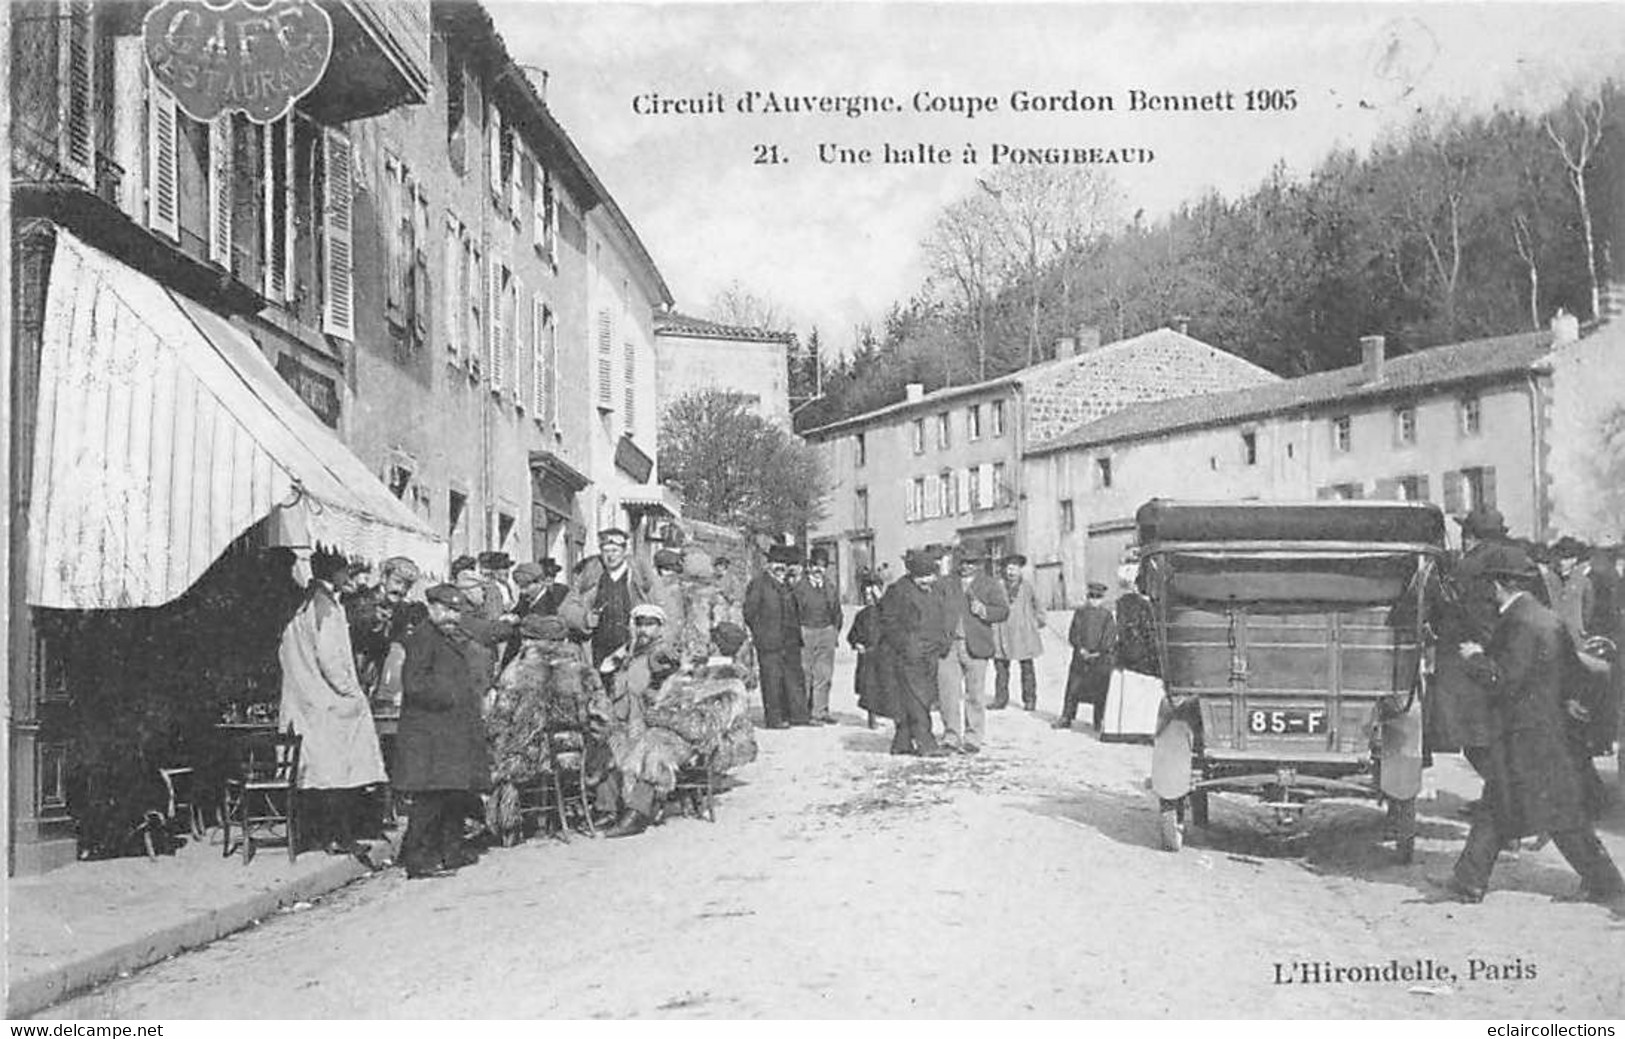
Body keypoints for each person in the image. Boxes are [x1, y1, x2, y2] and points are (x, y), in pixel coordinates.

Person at [1437, 545, 1624, 905]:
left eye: (1489, 583)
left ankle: (1607, 884)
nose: (1487, 592)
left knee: (1561, 814)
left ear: (1498, 585)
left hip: (1527, 733)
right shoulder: (1542, 616)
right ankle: (1468, 880)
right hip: (1540, 729)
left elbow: (1504, 680)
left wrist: (1476, 658)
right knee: (1498, 803)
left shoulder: (1519, 622)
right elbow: (1570, 671)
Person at [277, 551, 388, 859]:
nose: (349, 577)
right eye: (346, 572)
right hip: (327, 702)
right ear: (336, 572)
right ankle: (338, 836)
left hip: (304, 698)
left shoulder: (302, 604)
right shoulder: (326, 607)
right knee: (339, 772)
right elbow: (330, 657)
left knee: (314, 773)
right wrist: (352, 692)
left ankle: (316, 834)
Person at [396, 584, 493, 878]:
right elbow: (414, 684)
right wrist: (449, 695)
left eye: (456, 611)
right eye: (447, 610)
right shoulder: (424, 638)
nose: (453, 616)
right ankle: (417, 858)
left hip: (449, 731)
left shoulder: (445, 636)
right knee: (430, 798)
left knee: (453, 793)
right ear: (433, 608)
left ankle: (450, 852)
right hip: (430, 733)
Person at [600, 603, 684, 838]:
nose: (643, 629)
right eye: (639, 624)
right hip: (624, 714)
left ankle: (636, 813)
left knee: (643, 757)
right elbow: (606, 668)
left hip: (649, 720)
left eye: (650, 624)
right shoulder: (630, 650)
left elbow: (666, 687)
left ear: (660, 628)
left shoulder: (661, 652)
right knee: (606, 748)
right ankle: (607, 809)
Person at [932, 548, 1009, 753]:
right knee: (947, 694)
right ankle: (951, 736)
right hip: (948, 646)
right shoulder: (944, 583)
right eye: (963, 561)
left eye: (972, 561)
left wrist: (984, 611)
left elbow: (1003, 611)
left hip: (976, 646)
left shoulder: (990, 584)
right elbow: (932, 610)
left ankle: (973, 738)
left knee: (975, 694)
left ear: (981, 563)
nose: (966, 566)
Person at [880, 549, 950, 757]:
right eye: (923, 577)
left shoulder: (935, 590)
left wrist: (942, 641)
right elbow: (887, 622)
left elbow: (941, 616)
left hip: (931, 652)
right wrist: (906, 644)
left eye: (931, 576)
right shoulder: (898, 590)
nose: (928, 580)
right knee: (918, 698)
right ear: (913, 575)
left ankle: (902, 742)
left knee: (919, 697)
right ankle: (926, 743)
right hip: (909, 654)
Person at [559, 528, 658, 670]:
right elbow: (566, 609)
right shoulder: (590, 577)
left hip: (630, 646)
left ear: (624, 551)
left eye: (615, 550)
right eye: (606, 551)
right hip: (597, 648)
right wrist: (584, 619)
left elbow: (659, 609)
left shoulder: (640, 577)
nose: (610, 556)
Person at [744, 544, 811, 728]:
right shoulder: (759, 584)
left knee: (793, 678)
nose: (780, 567)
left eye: (784, 563)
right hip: (769, 641)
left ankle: (797, 716)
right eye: (776, 563)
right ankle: (774, 719)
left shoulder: (789, 585)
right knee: (771, 680)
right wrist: (761, 632)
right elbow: (749, 613)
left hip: (790, 641)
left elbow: (801, 607)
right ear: (768, 564)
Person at [1056, 582, 1116, 731]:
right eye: (1091, 596)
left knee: (1100, 691)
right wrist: (1080, 649)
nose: (1094, 600)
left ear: (1102, 599)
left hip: (1100, 660)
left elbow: (1110, 637)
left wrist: (1100, 651)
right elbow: (1073, 633)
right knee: (1073, 689)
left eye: (1097, 597)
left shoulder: (1107, 616)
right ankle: (1067, 717)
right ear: (1087, 597)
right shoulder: (1080, 613)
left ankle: (1098, 720)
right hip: (1080, 659)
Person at [794, 547, 844, 724]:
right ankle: (804, 713)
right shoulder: (800, 587)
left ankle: (820, 711)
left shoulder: (830, 587)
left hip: (826, 632)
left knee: (824, 674)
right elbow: (794, 612)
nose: (819, 569)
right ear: (809, 566)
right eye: (816, 565)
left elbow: (837, 612)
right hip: (806, 631)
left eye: (823, 566)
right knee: (805, 673)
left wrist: (834, 631)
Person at [991, 554, 1044, 711]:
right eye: (1008, 568)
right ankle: (1000, 699)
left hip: (1023, 632)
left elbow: (1038, 605)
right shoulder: (998, 586)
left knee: (1027, 668)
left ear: (1020, 570)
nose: (1011, 572)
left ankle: (1030, 699)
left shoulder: (1028, 586)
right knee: (1001, 667)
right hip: (1002, 630)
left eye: (1014, 568)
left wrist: (1038, 621)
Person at [848, 576, 890, 729]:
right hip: (867, 657)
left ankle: (881, 714)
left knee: (883, 686)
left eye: (872, 595)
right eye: (865, 596)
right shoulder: (862, 615)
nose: (868, 599)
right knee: (869, 688)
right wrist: (856, 643)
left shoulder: (886, 613)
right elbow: (852, 634)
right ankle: (872, 718)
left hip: (882, 656)